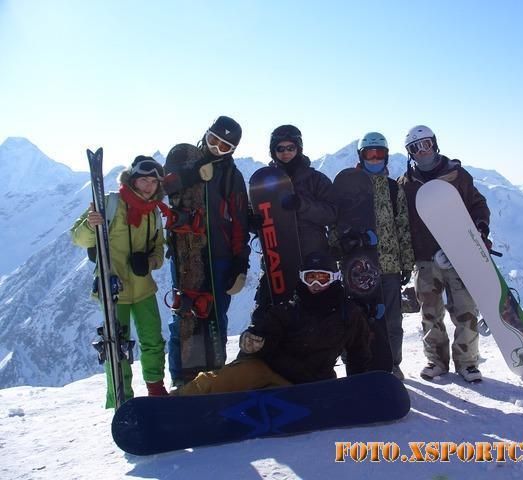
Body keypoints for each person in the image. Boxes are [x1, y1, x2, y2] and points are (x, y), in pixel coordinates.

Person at [173, 252, 371, 395]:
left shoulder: (348, 314)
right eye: (310, 278)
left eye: (323, 278)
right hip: (272, 374)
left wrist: (359, 390)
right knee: (222, 379)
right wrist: (253, 342)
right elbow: (265, 333)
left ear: (334, 279)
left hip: (312, 387)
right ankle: (176, 401)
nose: (316, 285)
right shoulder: (288, 311)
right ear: (302, 279)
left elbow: (358, 354)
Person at [71, 155, 169, 407]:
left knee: (153, 340)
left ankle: (156, 389)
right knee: (116, 346)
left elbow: (159, 247)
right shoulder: (109, 203)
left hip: (143, 286)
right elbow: (78, 238)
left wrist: (150, 262)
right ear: (133, 180)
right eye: (144, 180)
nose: (149, 186)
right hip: (113, 287)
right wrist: (90, 225)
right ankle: (122, 399)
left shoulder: (153, 212)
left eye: (153, 182)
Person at [398, 125, 491, 383]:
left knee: (465, 309)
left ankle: (468, 362)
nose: (422, 151)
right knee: (430, 312)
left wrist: (480, 227)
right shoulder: (406, 183)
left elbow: (478, 204)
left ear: (435, 144)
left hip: (459, 253)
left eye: (426, 144)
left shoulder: (457, 175)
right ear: (409, 153)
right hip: (425, 258)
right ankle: (436, 361)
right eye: (415, 148)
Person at [166, 115, 251, 387]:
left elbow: (239, 220)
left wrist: (240, 262)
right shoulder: (183, 160)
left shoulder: (232, 176)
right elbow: (161, 187)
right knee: (184, 313)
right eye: (213, 140)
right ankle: (181, 379)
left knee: (214, 316)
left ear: (232, 151)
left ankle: (214, 376)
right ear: (205, 134)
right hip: (185, 252)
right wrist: (192, 174)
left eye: (224, 146)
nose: (216, 148)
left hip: (220, 256)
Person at [333, 132, 415, 380]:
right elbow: (335, 223)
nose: (375, 158)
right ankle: (355, 363)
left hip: (389, 264)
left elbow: (403, 226)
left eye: (380, 154)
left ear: (386, 156)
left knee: (391, 319)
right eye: (370, 154)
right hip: (356, 265)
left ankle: (392, 363)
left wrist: (406, 263)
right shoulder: (348, 186)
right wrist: (337, 247)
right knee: (355, 316)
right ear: (361, 156)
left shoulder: (393, 188)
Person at [252, 124, 335, 309]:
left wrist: (302, 205)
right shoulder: (264, 181)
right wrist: (253, 221)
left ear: (299, 148)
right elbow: (255, 210)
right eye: (280, 149)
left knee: (314, 312)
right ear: (273, 151)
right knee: (271, 310)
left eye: (291, 148)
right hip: (276, 258)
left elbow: (332, 214)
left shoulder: (316, 180)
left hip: (313, 260)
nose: (286, 153)